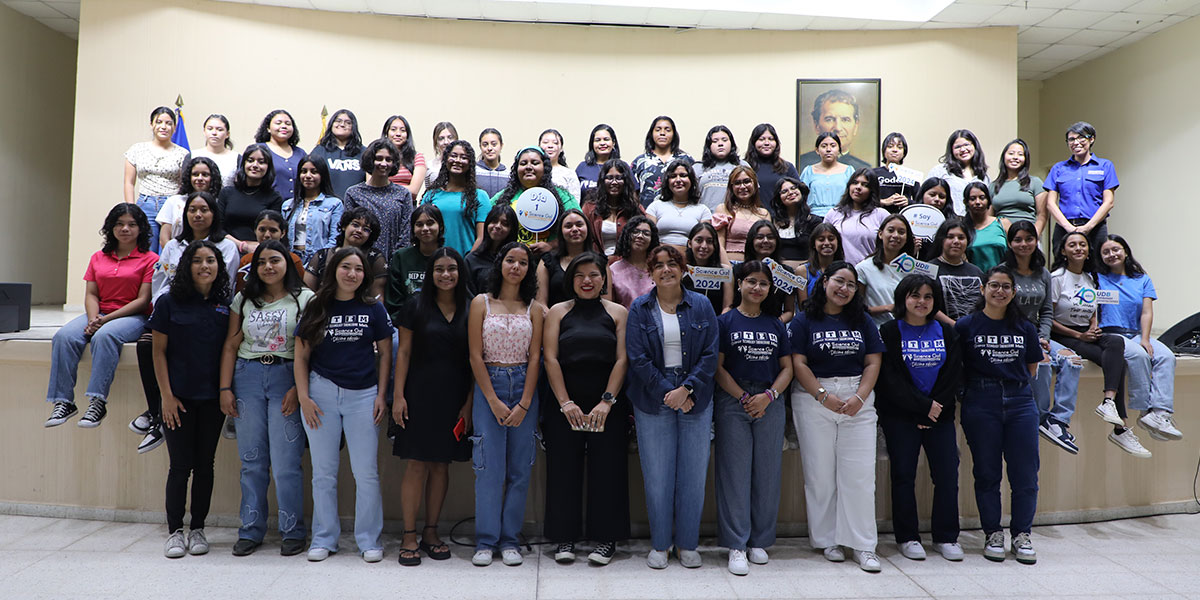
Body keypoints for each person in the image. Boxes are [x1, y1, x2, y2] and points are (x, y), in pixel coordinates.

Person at [294, 247, 391, 563]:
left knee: (366, 473)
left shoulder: (373, 309)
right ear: (333, 270)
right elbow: (301, 356)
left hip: (363, 395)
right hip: (321, 394)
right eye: (346, 267)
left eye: (359, 269)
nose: (352, 273)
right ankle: (324, 538)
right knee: (323, 472)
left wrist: (380, 395)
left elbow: (387, 353)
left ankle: (368, 539)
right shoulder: (315, 306)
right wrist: (304, 397)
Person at [218, 240, 313, 557]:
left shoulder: (305, 299)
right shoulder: (243, 300)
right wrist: (225, 388)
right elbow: (231, 346)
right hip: (247, 379)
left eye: (275, 260)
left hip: (287, 378)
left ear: (288, 263)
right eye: (261, 262)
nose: (268, 267)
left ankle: (293, 531)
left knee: (287, 463)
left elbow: (311, 352)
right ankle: (251, 529)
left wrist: (299, 390)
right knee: (252, 461)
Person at [626, 244, 718, 569]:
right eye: (659, 265)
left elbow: (710, 353)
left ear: (684, 269)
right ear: (650, 273)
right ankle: (661, 544)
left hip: (696, 394)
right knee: (658, 475)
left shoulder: (702, 305)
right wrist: (669, 391)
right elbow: (637, 357)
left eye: (672, 264)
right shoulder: (639, 308)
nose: (666, 269)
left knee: (693, 474)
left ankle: (687, 544)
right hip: (654, 395)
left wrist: (687, 387)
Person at [788, 261, 884, 572]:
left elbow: (872, 362)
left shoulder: (862, 320)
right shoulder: (804, 320)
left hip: (858, 397)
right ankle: (827, 539)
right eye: (839, 281)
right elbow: (798, 362)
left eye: (851, 284)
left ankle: (863, 545)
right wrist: (821, 395)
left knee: (859, 476)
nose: (844, 289)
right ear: (825, 281)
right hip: (814, 398)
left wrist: (860, 396)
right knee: (820, 475)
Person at [542, 252, 631, 566]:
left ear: (603, 278)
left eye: (594, 274)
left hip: (607, 401)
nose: (587, 281)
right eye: (580, 276)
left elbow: (623, 359)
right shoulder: (556, 311)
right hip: (565, 401)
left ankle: (606, 539)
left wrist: (607, 401)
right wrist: (565, 402)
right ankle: (564, 537)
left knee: (608, 470)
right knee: (563, 469)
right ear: (571, 280)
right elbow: (550, 358)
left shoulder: (618, 312)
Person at [137, 191, 241, 452]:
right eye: (192, 210)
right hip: (174, 307)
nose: (198, 214)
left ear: (214, 214)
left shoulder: (226, 246)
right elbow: (161, 283)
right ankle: (156, 412)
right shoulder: (172, 245)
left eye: (204, 209)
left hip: (210, 307)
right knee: (147, 343)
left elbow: (224, 287)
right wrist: (171, 306)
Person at [954, 265, 1043, 564]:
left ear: (1014, 292)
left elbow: (1033, 368)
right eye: (994, 285)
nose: (1000, 291)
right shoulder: (966, 326)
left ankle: (1022, 535)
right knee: (987, 473)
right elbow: (957, 369)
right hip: (981, 401)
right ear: (983, 289)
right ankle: (993, 533)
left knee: (1025, 474)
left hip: (1020, 401)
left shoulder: (1025, 327)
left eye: (1006, 286)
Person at [391, 247, 474, 566]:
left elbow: (473, 360)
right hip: (418, 395)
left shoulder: (471, 307)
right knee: (417, 464)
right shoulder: (415, 305)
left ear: (460, 272)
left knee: (442, 465)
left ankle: (430, 532)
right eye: (439, 269)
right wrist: (398, 396)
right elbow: (404, 354)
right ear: (430, 273)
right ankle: (409, 534)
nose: (446, 274)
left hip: (455, 398)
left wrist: (468, 405)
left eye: (451, 268)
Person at [44, 204, 157, 429]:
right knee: (64, 336)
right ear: (111, 227)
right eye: (119, 224)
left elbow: (143, 301)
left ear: (141, 228)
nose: (125, 229)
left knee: (103, 336)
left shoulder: (150, 259)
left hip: (133, 316)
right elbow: (92, 294)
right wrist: (94, 318)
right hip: (100, 312)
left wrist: (103, 321)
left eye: (132, 224)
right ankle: (63, 401)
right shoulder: (98, 257)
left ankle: (97, 401)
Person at [152, 240, 232, 559]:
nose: (204, 266)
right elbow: (157, 352)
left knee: (205, 465)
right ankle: (175, 531)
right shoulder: (169, 302)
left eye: (211, 260)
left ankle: (198, 528)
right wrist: (166, 397)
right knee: (180, 466)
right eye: (197, 260)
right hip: (178, 399)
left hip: (211, 399)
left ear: (218, 266)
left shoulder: (225, 305)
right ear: (187, 265)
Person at [467, 242, 545, 567]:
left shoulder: (536, 309)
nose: (516, 266)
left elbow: (536, 356)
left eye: (523, 262)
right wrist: (492, 400)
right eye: (510, 260)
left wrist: (525, 402)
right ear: (500, 264)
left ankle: (510, 539)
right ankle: (486, 541)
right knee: (488, 468)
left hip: (524, 386)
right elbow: (474, 355)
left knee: (519, 469)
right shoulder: (481, 303)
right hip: (490, 384)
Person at [713, 260, 793, 575]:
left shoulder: (775, 324)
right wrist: (745, 398)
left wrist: (768, 397)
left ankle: (759, 540)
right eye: (751, 282)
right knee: (734, 473)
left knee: (767, 472)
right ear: (740, 284)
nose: (757, 288)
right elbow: (717, 368)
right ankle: (736, 543)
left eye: (763, 283)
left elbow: (787, 367)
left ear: (770, 288)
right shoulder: (725, 321)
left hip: (770, 399)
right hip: (735, 400)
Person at [877, 274, 964, 562]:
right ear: (903, 298)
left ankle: (946, 536)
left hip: (940, 415)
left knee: (947, 476)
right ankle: (908, 536)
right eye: (915, 296)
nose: (921, 302)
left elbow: (953, 375)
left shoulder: (947, 332)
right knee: (904, 476)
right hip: (902, 417)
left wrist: (934, 408)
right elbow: (889, 379)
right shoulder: (890, 331)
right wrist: (921, 407)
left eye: (927, 297)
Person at [1050, 232, 1147, 457]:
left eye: (1082, 245)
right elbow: (1048, 318)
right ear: (1063, 251)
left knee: (1115, 344)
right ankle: (1120, 428)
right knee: (1116, 361)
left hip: (1086, 332)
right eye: (1072, 245)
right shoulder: (1056, 277)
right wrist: (1078, 336)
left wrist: (1093, 325)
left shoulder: (1090, 277)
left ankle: (1108, 402)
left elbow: (1093, 306)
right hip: (1064, 334)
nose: (1078, 249)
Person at [1003, 221, 1084, 454]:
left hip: (1039, 334)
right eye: (1017, 239)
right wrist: (1033, 340)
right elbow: (1001, 312)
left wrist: (1044, 336)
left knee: (1073, 360)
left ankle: (1058, 421)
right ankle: (1040, 418)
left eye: (1029, 238)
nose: (1023, 244)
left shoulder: (1044, 273)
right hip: (1014, 335)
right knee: (1042, 362)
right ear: (1010, 243)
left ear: (1035, 242)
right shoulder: (1003, 272)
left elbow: (1047, 311)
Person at [1097, 235, 1183, 442]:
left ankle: (1160, 413)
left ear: (1125, 251)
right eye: (1106, 252)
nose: (1112, 254)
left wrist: (1145, 339)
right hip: (1111, 334)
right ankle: (1144, 411)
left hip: (1136, 334)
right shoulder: (1097, 278)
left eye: (1116, 249)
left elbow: (1146, 312)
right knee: (1139, 356)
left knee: (1166, 357)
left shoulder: (1141, 279)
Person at [1044, 122, 1119, 252]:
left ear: (1091, 139)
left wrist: (1088, 227)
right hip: (1064, 227)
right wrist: (1068, 228)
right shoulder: (1058, 168)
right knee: (1061, 267)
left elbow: (1109, 202)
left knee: (1097, 268)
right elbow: (1050, 203)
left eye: (1081, 138)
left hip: (1095, 227)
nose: (1076, 142)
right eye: (1071, 139)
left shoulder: (1105, 166)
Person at [124, 106, 190, 253]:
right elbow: (129, 182)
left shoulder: (182, 153)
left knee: (171, 250)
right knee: (146, 251)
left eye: (168, 123)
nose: (163, 126)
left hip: (172, 204)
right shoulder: (137, 150)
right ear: (151, 124)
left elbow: (184, 185)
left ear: (174, 127)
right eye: (159, 122)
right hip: (146, 204)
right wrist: (131, 209)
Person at [491, 146, 579, 253]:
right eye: (523, 163)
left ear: (545, 168)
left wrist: (551, 245)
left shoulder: (563, 196)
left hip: (550, 259)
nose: (528, 167)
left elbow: (580, 226)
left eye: (535, 163)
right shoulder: (504, 196)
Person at [344, 138, 413, 260]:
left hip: (393, 263)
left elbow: (405, 234)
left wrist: (395, 262)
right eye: (379, 158)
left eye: (389, 159)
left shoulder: (403, 194)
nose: (384, 163)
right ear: (371, 160)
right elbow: (348, 233)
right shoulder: (353, 193)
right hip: (360, 262)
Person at [422, 140, 492, 256]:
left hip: (467, 263)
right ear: (446, 160)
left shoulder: (480, 196)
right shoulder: (431, 195)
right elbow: (422, 231)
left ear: (470, 163)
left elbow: (482, 237)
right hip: (435, 264)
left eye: (463, 157)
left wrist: (468, 262)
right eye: (453, 156)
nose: (458, 161)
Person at [304, 206, 387, 299]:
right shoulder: (322, 255)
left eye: (366, 229)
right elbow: (307, 296)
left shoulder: (375, 258)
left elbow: (378, 298)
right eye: (355, 225)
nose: (359, 231)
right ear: (344, 226)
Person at [218, 143, 283, 254]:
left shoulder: (274, 197)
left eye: (261, 162)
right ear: (243, 164)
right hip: (227, 249)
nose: (255, 165)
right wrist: (242, 246)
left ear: (268, 167)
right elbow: (218, 228)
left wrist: (255, 248)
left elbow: (272, 232)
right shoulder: (227, 193)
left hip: (259, 252)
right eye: (250, 160)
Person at [386, 204, 445, 319]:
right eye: (419, 224)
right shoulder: (401, 257)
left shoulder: (449, 257)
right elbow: (393, 302)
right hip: (406, 324)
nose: (425, 228)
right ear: (413, 229)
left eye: (430, 223)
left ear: (440, 226)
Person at [856, 213, 916, 326]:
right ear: (880, 234)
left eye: (901, 232)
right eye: (891, 230)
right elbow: (857, 308)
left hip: (908, 330)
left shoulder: (914, 269)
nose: (896, 235)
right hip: (876, 330)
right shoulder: (863, 268)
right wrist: (887, 308)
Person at [536, 209, 604, 308]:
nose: (575, 229)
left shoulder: (601, 261)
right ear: (561, 231)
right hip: (555, 320)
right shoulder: (547, 261)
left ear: (588, 228)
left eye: (579, 225)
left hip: (593, 321)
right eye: (568, 226)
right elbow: (541, 304)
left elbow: (606, 303)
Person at [282, 156, 344, 264]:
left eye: (314, 172)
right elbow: (282, 239)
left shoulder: (334, 204)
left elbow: (335, 239)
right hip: (291, 261)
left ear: (322, 175)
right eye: (304, 171)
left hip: (320, 263)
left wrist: (319, 260)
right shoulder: (287, 205)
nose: (308, 176)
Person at [156, 156, 223, 249]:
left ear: (213, 177)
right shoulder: (174, 201)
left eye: (205, 174)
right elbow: (164, 239)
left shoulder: (219, 202)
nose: (199, 178)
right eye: (195, 174)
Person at [582, 159, 645, 258]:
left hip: (627, 263)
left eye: (619, 178)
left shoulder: (635, 208)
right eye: (609, 178)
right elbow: (584, 240)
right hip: (597, 263)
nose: (614, 182)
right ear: (602, 180)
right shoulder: (590, 207)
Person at [823, 168, 887, 265]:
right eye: (855, 183)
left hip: (871, 272)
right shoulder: (833, 213)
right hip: (840, 272)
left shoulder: (881, 215)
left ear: (872, 190)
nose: (858, 187)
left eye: (865, 185)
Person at [797, 89, 872, 171]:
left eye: (845, 120)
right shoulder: (800, 165)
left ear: (855, 126)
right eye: (830, 119)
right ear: (816, 125)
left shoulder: (864, 169)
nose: (838, 128)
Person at [645, 159, 711, 249]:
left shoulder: (703, 210)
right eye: (673, 176)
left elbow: (704, 243)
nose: (678, 180)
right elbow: (648, 239)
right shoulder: (655, 207)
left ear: (691, 180)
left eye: (683, 175)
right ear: (667, 181)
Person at [233, 210, 305, 293]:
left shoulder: (293, 260)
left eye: (273, 230)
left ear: (283, 233)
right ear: (255, 231)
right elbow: (240, 293)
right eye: (262, 230)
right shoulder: (246, 261)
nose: (267, 235)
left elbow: (300, 292)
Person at [930, 219, 984, 326]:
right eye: (950, 237)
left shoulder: (976, 271)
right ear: (941, 240)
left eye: (961, 238)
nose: (956, 241)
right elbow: (927, 304)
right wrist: (955, 325)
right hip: (942, 333)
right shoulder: (929, 269)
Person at [740, 220, 796, 323]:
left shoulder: (787, 272)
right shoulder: (738, 270)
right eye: (760, 237)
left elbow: (789, 311)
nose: (766, 241)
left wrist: (776, 324)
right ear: (751, 241)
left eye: (770, 237)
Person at [712, 166, 771, 262]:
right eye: (737, 183)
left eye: (747, 181)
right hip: (729, 265)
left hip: (755, 269)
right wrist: (728, 270)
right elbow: (719, 245)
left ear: (755, 184)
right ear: (731, 187)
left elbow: (768, 248)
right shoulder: (723, 209)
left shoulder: (764, 214)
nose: (742, 186)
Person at [631, 116, 692, 207]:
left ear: (674, 134)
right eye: (658, 130)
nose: (662, 133)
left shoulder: (686, 160)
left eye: (667, 130)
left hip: (679, 214)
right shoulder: (640, 162)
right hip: (646, 215)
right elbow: (632, 192)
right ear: (651, 133)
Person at [927, 129, 989, 216]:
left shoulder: (983, 175)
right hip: (947, 222)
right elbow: (925, 197)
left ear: (975, 146)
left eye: (967, 144)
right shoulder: (940, 170)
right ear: (951, 150)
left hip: (975, 224)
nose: (963, 149)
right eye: (957, 147)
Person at [991, 138, 1047, 234]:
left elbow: (1042, 215)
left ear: (1025, 159)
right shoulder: (993, 186)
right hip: (1000, 236)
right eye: (1011, 153)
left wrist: (1035, 235)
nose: (1015, 157)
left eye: (1020, 154)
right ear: (1004, 157)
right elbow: (989, 218)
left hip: (1027, 236)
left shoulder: (1035, 182)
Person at [308, 108, 365, 199]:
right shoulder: (319, 151)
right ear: (331, 125)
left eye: (348, 122)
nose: (342, 124)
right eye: (338, 121)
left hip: (356, 206)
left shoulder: (363, 152)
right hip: (326, 207)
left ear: (353, 127)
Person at [254, 109, 307, 205]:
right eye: (278, 123)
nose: (283, 126)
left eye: (288, 124)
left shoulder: (300, 153)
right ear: (268, 128)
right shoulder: (258, 150)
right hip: (266, 206)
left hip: (296, 209)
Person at [466, 203, 519, 295]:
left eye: (505, 224)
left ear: (512, 230)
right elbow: (466, 295)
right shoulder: (472, 259)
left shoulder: (517, 260)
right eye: (494, 221)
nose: (498, 226)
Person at [745, 123, 800, 210]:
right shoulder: (745, 167)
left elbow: (799, 195)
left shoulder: (787, 167)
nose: (767, 143)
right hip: (752, 217)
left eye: (771, 139)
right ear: (754, 142)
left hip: (781, 219)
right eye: (761, 139)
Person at [799, 132, 855, 218]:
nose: (828, 149)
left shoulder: (849, 171)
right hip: (813, 218)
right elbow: (801, 198)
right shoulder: (808, 171)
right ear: (817, 150)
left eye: (833, 146)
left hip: (842, 216)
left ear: (839, 149)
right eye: (824, 146)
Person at [693, 125, 747, 212]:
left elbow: (753, 194)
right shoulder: (698, 168)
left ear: (731, 143)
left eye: (724, 140)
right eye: (715, 141)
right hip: (706, 220)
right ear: (709, 146)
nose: (720, 143)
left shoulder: (742, 166)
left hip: (736, 218)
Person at [683, 222, 733, 316]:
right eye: (699, 240)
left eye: (709, 241)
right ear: (690, 243)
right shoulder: (681, 270)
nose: (704, 246)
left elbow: (727, 306)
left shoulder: (725, 271)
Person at [771, 177, 823, 268]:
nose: (790, 192)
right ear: (779, 198)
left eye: (793, 188)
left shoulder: (814, 221)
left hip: (806, 274)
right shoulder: (772, 221)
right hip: (778, 276)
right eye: (784, 191)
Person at [608, 216, 658, 308]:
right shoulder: (613, 270)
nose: (640, 236)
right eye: (635, 232)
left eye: (646, 233)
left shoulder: (658, 268)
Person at [964, 182, 1010, 272]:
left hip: (1002, 280)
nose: (977, 202)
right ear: (966, 202)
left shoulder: (1002, 223)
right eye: (972, 199)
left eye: (982, 198)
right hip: (974, 280)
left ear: (988, 200)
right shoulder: (962, 228)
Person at [796, 223, 844, 305]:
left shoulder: (845, 271)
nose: (827, 243)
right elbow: (803, 307)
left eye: (831, 239)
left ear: (838, 242)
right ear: (814, 244)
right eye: (821, 239)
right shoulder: (802, 271)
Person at [869, 132, 919, 210]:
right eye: (890, 146)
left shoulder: (911, 175)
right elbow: (864, 200)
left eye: (899, 147)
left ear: (904, 152)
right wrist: (882, 202)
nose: (895, 150)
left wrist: (908, 202)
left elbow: (920, 202)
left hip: (904, 217)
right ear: (884, 151)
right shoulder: (873, 173)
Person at [382, 115, 427, 199]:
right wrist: (404, 188)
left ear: (407, 135)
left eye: (402, 130)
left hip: (406, 205)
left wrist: (384, 187)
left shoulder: (417, 157)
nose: (398, 134)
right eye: (393, 129)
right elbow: (373, 187)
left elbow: (413, 191)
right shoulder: (377, 156)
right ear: (386, 133)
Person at [914, 177, 956, 261]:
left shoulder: (953, 222)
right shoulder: (910, 216)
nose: (937, 199)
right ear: (923, 195)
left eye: (942, 196)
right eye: (932, 195)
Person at [191, 114, 238, 188]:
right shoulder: (193, 155)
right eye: (210, 129)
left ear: (227, 134)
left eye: (219, 129)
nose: (214, 133)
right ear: (204, 131)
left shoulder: (236, 158)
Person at [576, 124, 620, 198]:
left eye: (606, 139)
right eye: (597, 140)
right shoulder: (582, 167)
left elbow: (633, 197)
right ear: (592, 144)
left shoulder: (622, 167)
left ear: (613, 143)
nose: (602, 143)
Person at [539, 128, 582, 201]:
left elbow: (575, 202)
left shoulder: (569, 173)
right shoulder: (533, 171)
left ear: (561, 148)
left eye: (555, 143)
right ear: (539, 146)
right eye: (545, 142)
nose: (550, 146)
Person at [423, 121, 459, 194]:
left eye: (450, 137)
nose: (446, 142)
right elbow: (428, 192)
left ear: (456, 139)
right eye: (441, 138)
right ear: (436, 142)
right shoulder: (429, 166)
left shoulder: (463, 164)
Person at [475, 128, 507, 198]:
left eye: (494, 144)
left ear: (501, 146)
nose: (489, 148)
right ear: (480, 146)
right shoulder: (473, 172)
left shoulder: (508, 175)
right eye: (485, 144)